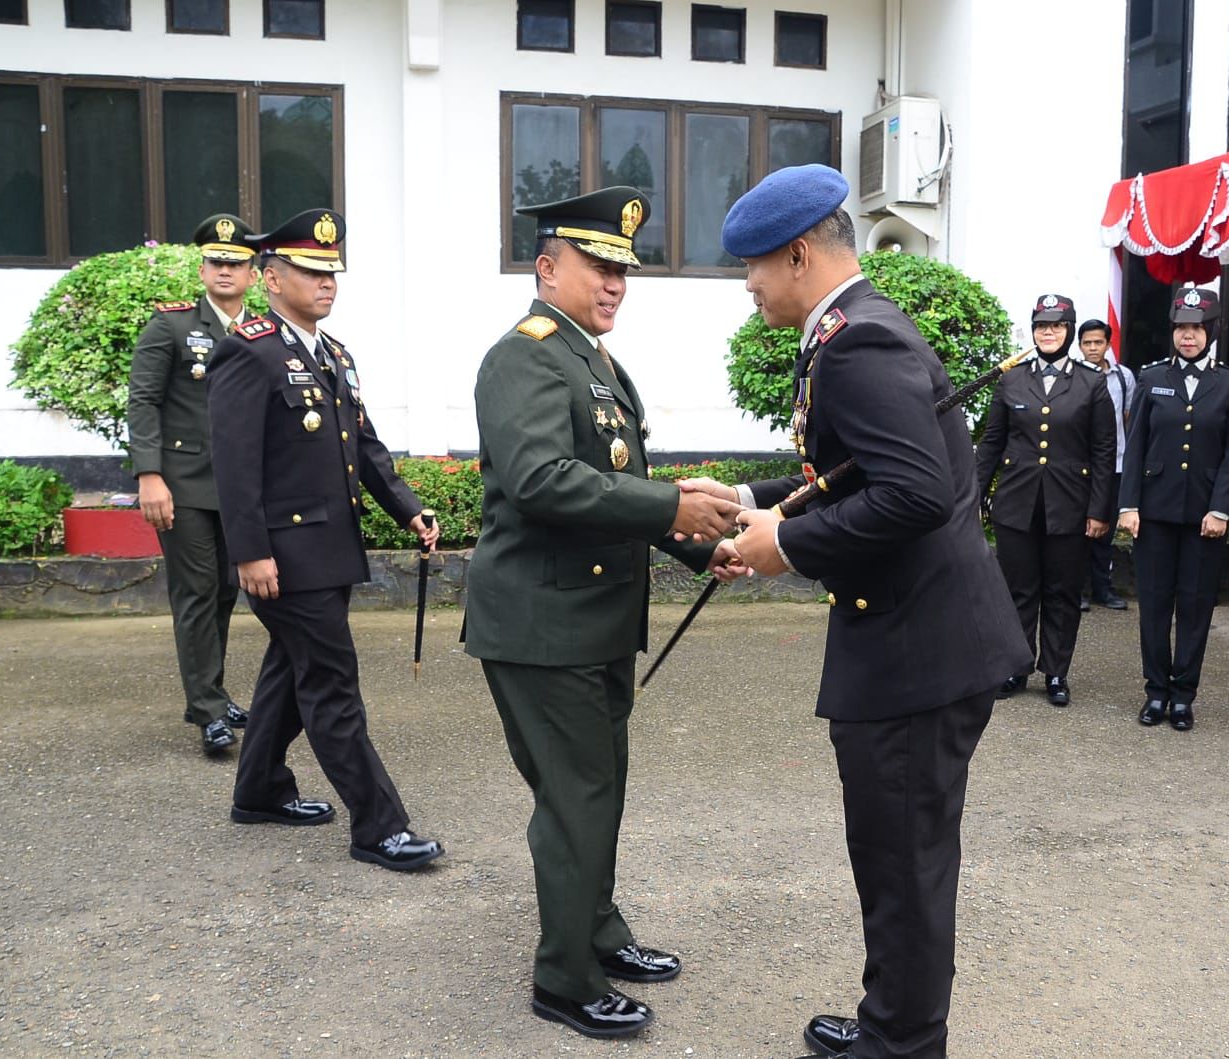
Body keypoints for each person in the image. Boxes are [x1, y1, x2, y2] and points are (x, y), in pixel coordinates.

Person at [687, 163, 1030, 1059]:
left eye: (752, 266)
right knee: (893, 861)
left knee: (905, 869)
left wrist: (785, 545)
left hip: (917, 654)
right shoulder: (850, 327)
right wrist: (750, 496)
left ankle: (903, 1045)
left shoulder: (858, 343)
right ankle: (892, 1026)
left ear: (799, 253)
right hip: (911, 642)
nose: (748, 285)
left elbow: (914, 495)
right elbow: (854, 475)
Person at [463, 187, 740, 1041]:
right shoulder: (526, 357)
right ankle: (566, 979)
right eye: (599, 265)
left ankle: (598, 931)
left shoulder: (596, 363)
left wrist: (703, 547)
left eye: (625, 269)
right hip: (543, 627)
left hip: (587, 622)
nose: (616, 282)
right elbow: (544, 481)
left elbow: (616, 486)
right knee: (577, 798)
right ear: (547, 268)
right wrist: (672, 511)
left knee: (596, 792)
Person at [207, 209, 445, 871]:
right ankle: (379, 826)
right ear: (272, 277)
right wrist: (249, 551)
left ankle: (259, 790)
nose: (325, 283)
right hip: (282, 558)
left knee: (290, 671)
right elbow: (233, 463)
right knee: (333, 688)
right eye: (310, 271)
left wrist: (410, 510)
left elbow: (363, 449)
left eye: (331, 272)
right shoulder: (248, 351)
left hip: (328, 554)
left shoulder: (334, 353)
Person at [128, 214, 259, 755]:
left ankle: (211, 691)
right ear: (202, 268)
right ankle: (207, 710)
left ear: (254, 274)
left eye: (236, 263)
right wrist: (149, 474)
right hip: (182, 485)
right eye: (216, 262)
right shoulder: (172, 326)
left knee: (227, 592)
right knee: (197, 592)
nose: (225, 270)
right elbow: (144, 401)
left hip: (241, 488)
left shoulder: (262, 330)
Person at [1118, 288, 1229, 733]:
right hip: (1153, 513)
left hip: (1203, 519)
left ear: (1210, 331)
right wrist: (1128, 504)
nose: (1188, 336)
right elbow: (1134, 447)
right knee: (1154, 605)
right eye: (1181, 328)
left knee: (1194, 608)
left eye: (1196, 328)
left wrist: (1221, 510)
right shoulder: (1151, 377)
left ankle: (1183, 696)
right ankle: (1155, 692)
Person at [975, 294, 1116, 706]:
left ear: (1069, 331)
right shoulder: (1012, 379)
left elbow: (1104, 451)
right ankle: (1016, 667)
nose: (1048, 332)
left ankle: (1055, 672)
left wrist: (1098, 509)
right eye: (1041, 326)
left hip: (1069, 504)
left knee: (1061, 591)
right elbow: (991, 443)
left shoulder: (1092, 382)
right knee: (1017, 589)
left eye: (1056, 326)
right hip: (1017, 502)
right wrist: (972, 494)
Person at [1076, 318, 1134, 610]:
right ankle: (1079, 591)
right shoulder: (1072, 376)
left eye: (1098, 342)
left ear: (1108, 344)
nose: (1093, 348)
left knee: (1105, 530)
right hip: (1080, 467)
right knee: (1078, 530)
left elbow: (1128, 417)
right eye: (1087, 343)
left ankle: (1103, 588)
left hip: (1115, 465)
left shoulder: (1123, 377)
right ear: (1079, 345)